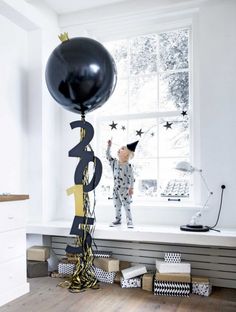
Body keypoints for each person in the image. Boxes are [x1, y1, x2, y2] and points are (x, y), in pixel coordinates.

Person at [106, 139, 138, 228]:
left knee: (126, 205)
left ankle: (129, 221)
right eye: (121, 149)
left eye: (123, 149)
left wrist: (131, 188)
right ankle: (118, 220)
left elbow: (132, 178)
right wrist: (109, 146)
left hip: (125, 189)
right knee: (117, 205)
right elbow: (108, 156)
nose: (121, 150)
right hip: (116, 188)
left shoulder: (128, 165)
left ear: (127, 155)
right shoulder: (114, 162)